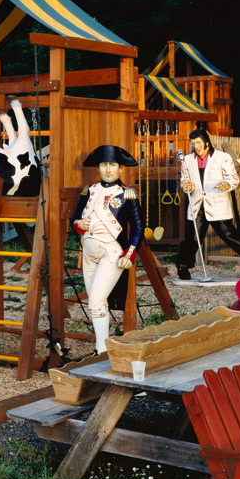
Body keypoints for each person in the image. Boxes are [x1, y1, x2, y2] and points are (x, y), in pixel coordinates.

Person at [69, 146, 144, 353]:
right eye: (103, 165)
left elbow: (138, 228)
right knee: (97, 305)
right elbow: (74, 220)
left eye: (112, 165)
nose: (108, 169)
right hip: (88, 254)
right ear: (98, 168)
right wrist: (78, 225)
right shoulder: (90, 190)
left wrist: (129, 254)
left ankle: (102, 351)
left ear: (120, 168)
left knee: (95, 301)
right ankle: (102, 350)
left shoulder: (127, 193)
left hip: (111, 252)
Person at [177, 128, 240, 281]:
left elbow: (233, 179)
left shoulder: (223, 157)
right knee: (191, 240)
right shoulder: (187, 160)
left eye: (198, 143)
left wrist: (227, 184)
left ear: (207, 142)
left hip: (217, 205)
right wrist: (187, 186)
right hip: (196, 206)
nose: (196, 146)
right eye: (193, 144)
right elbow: (185, 180)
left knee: (230, 237)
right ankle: (182, 266)